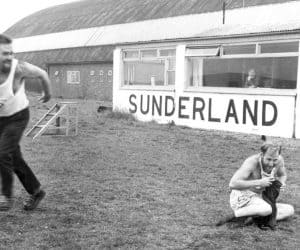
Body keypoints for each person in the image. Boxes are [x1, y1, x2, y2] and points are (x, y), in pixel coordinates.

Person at [0, 34, 51, 211]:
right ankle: (36, 191)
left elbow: (43, 74)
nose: (9, 57)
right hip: (1, 119)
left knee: (2, 153)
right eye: (4, 54)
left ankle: (6, 197)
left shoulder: (19, 68)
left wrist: (47, 94)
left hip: (18, 117)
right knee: (14, 158)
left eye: (10, 53)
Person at [216, 139, 294, 228]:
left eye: (274, 160)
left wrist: (282, 183)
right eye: (268, 159)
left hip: (260, 198)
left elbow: (282, 175)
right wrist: (259, 182)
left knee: (289, 210)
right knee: (267, 209)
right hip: (243, 197)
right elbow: (233, 184)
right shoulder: (252, 162)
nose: (271, 163)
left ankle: (252, 218)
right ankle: (235, 215)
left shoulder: (279, 160)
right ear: (262, 154)